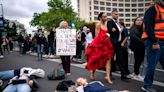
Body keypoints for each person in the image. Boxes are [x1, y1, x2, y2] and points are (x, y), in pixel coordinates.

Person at [141, 1, 164, 92]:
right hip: (154, 41)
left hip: (162, 40)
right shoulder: (152, 8)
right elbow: (148, 26)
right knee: (152, 65)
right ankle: (147, 85)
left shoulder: (162, 9)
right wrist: (154, 42)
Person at [85, 12, 114, 84]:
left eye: (106, 16)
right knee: (96, 60)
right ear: (100, 17)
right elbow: (97, 36)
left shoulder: (107, 24)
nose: (105, 18)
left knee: (108, 60)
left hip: (106, 44)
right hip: (99, 45)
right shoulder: (98, 24)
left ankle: (108, 77)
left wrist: (108, 35)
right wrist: (105, 37)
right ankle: (92, 72)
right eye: (104, 17)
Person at [107, 10, 130, 80]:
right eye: (115, 14)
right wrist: (118, 30)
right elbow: (110, 30)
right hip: (113, 43)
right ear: (112, 14)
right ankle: (109, 74)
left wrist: (118, 29)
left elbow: (117, 31)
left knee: (120, 59)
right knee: (111, 59)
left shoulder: (117, 23)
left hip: (118, 43)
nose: (117, 15)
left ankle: (123, 75)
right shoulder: (110, 22)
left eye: (118, 14)